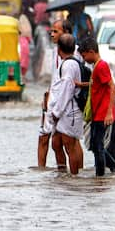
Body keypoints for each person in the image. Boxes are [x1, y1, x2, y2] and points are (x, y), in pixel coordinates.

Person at [79, 37, 115, 176]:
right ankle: (114, 168)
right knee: (96, 145)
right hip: (98, 113)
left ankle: (100, 177)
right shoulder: (96, 66)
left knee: (97, 146)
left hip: (103, 113)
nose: (84, 60)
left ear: (91, 52)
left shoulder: (101, 66)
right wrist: (81, 85)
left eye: (84, 56)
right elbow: (95, 84)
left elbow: (113, 88)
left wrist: (109, 112)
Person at [47, 33, 84, 174]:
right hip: (64, 112)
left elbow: (66, 91)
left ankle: (75, 178)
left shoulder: (68, 65)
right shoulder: (67, 63)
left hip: (69, 113)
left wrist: (56, 112)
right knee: (56, 144)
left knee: (70, 146)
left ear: (59, 49)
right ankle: (62, 175)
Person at [37, 19, 71, 169]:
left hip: (66, 104)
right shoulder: (54, 53)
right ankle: (46, 171)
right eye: (51, 31)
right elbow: (55, 79)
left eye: (56, 31)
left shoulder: (74, 53)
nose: (52, 34)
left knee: (65, 144)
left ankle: (72, 173)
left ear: (67, 34)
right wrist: (48, 95)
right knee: (46, 140)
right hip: (52, 101)